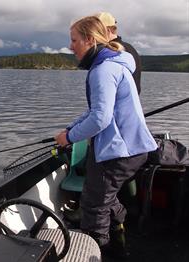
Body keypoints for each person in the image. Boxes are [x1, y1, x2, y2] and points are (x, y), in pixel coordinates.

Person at [55, 16, 157, 258]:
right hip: (132, 149)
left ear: (90, 40)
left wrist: (69, 138)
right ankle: (119, 235)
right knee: (104, 195)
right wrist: (70, 129)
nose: (71, 46)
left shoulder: (103, 70)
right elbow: (96, 112)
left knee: (93, 205)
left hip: (120, 151)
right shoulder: (115, 64)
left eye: (74, 40)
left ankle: (97, 250)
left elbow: (100, 119)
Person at [96, 12, 142, 95]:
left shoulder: (110, 52)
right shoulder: (130, 48)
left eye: (96, 31)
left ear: (107, 30)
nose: (94, 36)